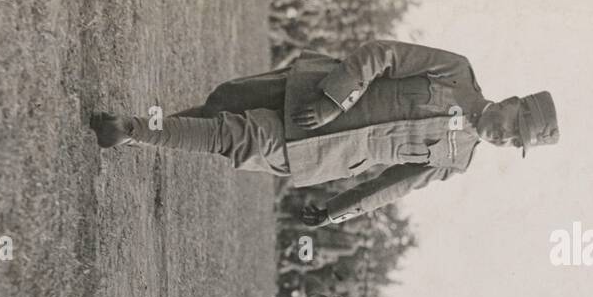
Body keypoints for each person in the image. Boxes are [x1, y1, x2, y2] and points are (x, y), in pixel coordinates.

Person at [89, 39, 559, 224]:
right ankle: (143, 132)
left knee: (238, 136)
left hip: (319, 150)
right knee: (223, 103)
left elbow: (392, 185)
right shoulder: (456, 71)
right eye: (515, 128)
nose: (507, 139)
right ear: (514, 102)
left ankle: (129, 130)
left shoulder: (457, 160)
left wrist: (337, 211)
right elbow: (382, 55)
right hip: (308, 91)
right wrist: (333, 101)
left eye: (516, 144)